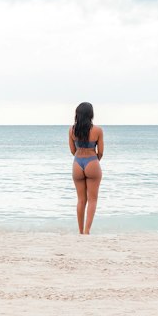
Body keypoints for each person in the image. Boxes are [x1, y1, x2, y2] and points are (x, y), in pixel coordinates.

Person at [69, 101, 103, 235]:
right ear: (91, 114)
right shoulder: (97, 130)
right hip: (92, 162)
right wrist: (94, 161)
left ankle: (80, 231)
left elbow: (72, 150)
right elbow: (100, 152)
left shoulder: (71, 130)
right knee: (93, 199)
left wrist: (80, 155)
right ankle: (86, 231)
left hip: (77, 163)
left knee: (81, 199)